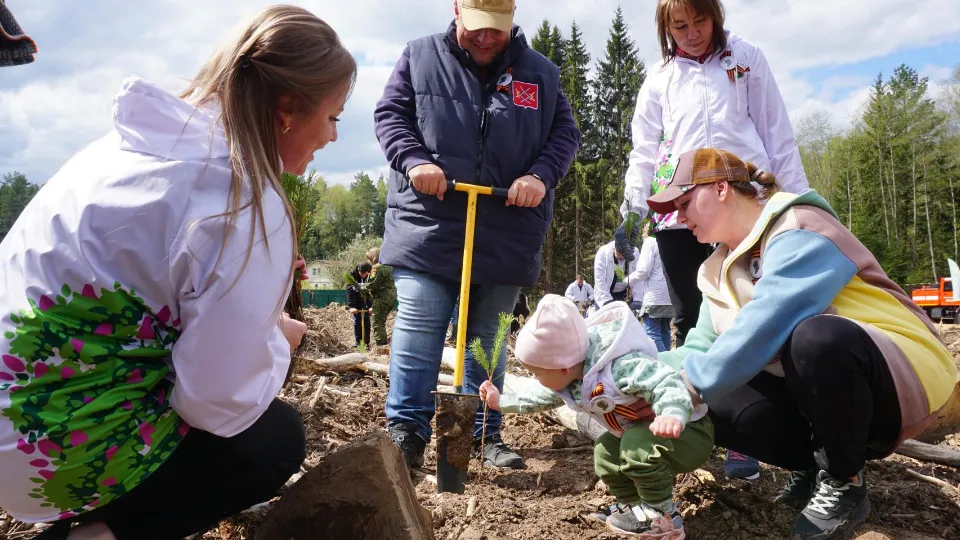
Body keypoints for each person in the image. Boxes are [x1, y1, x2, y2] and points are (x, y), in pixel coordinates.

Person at [0, 6, 355, 540]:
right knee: (273, 439)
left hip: (18, 407)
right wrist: (273, 342)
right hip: (36, 456)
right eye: (332, 117)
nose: (331, 137)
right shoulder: (242, 203)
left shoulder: (130, 147)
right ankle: (97, 533)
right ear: (286, 107)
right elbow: (215, 403)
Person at [645, 148, 957, 539]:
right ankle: (815, 469)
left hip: (902, 371)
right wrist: (637, 372)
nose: (679, 216)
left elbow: (769, 318)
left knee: (814, 338)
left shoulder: (801, 226)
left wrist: (688, 385)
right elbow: (699, 349)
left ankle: (845, 479)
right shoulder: (717, 270)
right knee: (716, 401)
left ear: (721, 188)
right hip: (827, 392)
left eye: (685, 202)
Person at [374, 0, 580, 470]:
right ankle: (407, 431)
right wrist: (415, 161)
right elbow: (390, 116)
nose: (486, 39)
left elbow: (564, 135)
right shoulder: (420, 56)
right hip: (429, 222)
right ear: (457, 11)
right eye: (476, 29)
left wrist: (540, 177)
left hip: (507, 227)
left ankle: (484, 435)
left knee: (488, 337)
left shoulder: (541, 74)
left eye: (497, 30)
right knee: (421, 322)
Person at [620, 0, 809, 481]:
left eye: (699, 21)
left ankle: (761, 433)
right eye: (678, 26)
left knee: (754, 315)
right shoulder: (660, 78)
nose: (691, 34)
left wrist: (800, 201)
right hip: (680, 216)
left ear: (715, 16)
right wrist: (632, 207)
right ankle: (701, 424)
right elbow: (644, 148)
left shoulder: (745, 60)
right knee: (692, 321)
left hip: (744, 209)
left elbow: (777, 134)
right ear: (665, 27)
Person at [479, 295, 713, 537]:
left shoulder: (620, 366)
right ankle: (632, 507)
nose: (538, 380)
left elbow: (666, 379)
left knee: (635, 447)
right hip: (646, 434)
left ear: (563, 367)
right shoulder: (570, 377)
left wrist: (671, 413)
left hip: (688, 433)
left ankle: (663, 516)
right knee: (605, 450)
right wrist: (500, 402)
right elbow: (538, 395)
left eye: (538, 373)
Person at [632, 232, 675, 352]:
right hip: (670, 296)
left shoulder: (650, 242)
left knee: (652, 334)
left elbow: (643, 270)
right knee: (665, 331)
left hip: (654, 296)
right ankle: (669, 360)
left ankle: (662, 363)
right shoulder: (671, 241)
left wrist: (627, 281)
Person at [593, 231, 643, 309]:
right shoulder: (602, 253)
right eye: (619, 254)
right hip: (603, 293)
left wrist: (638, 299)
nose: (622, 257)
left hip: (622, 294)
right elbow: (600, 280)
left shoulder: (635, 253)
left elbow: (638, 276)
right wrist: (607, 301)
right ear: (614, 248)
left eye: (625, 255)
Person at [365, 247, 398, 349]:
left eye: (369, 258)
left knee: (378, 323)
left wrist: (362, 287)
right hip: (391, 297)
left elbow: (372, 285)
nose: (369, 261)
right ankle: (385, 343)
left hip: (381, 298)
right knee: (381, 321)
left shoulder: (377, 268)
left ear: (373, 257)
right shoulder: (390, 266)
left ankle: (381, 346)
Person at [346, 263, 373, 349]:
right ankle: (358, 342)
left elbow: (374, 291)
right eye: (361, 274)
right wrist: (351, 306)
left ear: (368, 272)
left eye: (364, 274)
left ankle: (366, 343)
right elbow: (349, 290)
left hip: (367, 299)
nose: (363, 276)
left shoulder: (372, 274)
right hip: (356, 300)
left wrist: (372, 306)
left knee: (366, 320)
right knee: (357, 321)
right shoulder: (352, 274)